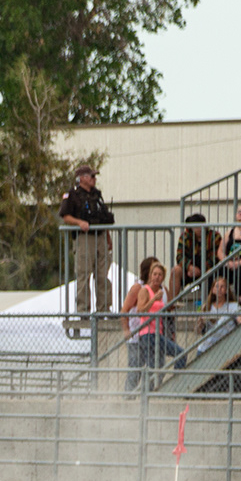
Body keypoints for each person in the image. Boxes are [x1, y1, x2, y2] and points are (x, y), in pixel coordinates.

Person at [60, 164, 115, 313]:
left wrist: (108, 237)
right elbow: (65, 216)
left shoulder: (97, 195)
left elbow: (103, 217)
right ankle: (83, 310)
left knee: (103, 275)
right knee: (84, 275)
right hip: (84, 239)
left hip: (101, 236)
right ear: (82, 178)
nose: (94, 179)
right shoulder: (73, 195)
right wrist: (79, 223)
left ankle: (104, 309)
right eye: (92, 176)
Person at [123, 257, 181, 391]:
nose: (157, 277)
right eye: (154, 273)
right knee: (136, 369)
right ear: (148, 273)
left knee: (158, 365)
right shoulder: (140, 288)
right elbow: (127, 310)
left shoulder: (163, 291)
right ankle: (128, 397)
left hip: (156, 333)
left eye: (160, 274)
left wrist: (171, 332)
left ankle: (149, 393)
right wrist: (126, 330)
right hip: (137, 335)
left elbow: (167, 312)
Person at [171, 212, 221, 303]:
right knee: (175, 270)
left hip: (208, 268)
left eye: (200, 226)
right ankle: (171, 304)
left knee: (212, 273)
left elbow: (216, 256)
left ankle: (209, 305)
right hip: (190, 267)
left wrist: (202, 269)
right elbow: (179, 256)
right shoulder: (185, 237)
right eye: (195, 227)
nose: (198, 229)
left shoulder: (214, 236)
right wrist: (189, 267)